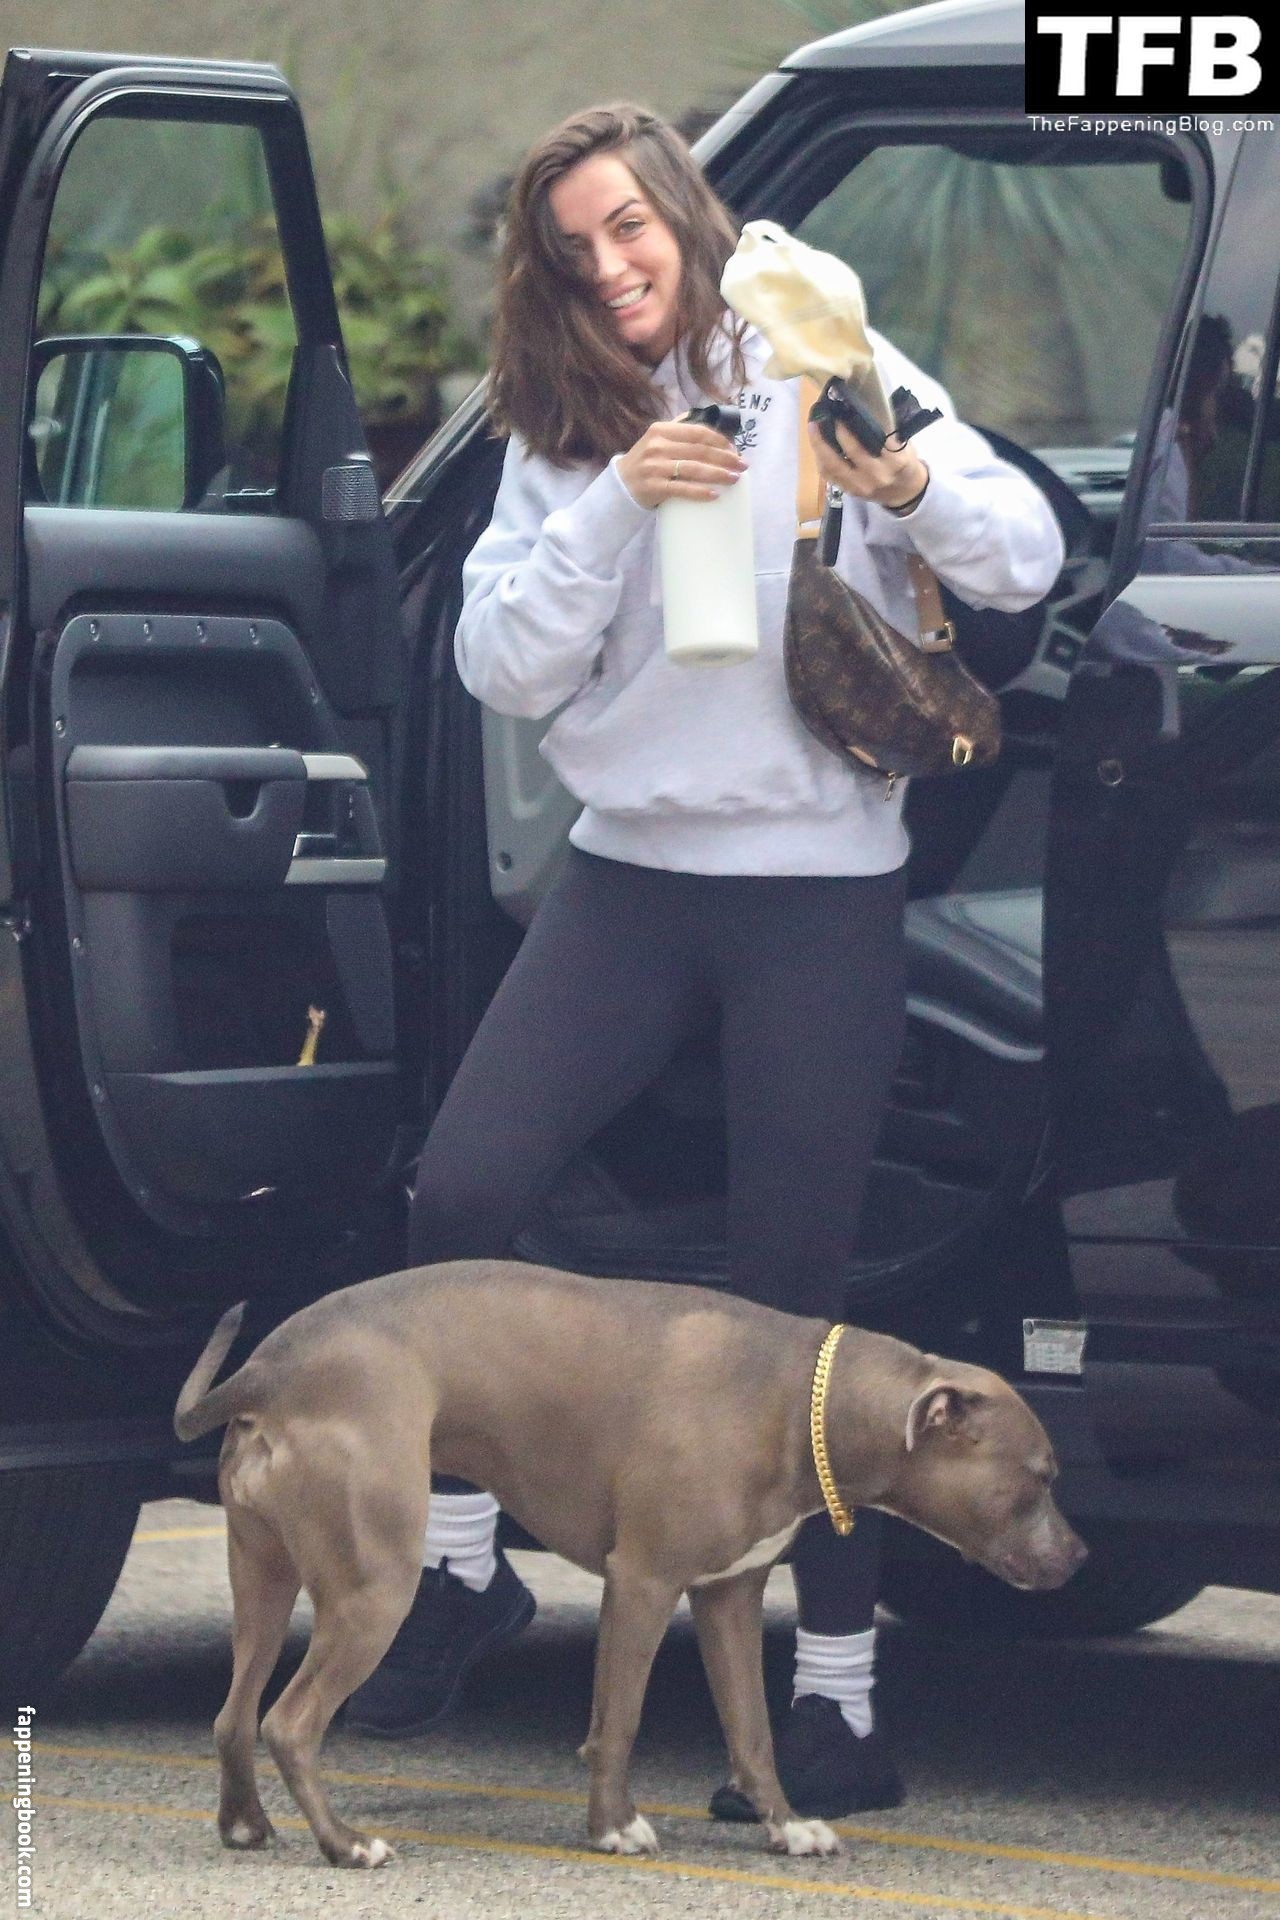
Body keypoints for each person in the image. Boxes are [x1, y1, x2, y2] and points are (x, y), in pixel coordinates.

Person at [345, 102, 1064, 1818]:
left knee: (795, 1311)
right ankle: (462, 1557)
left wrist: (909, 484)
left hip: (818, 892)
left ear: (686, 214)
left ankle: (837, 1710)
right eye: (574, 248)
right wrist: (617, 499)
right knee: (464, 1189)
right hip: (629, 883)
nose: (611, 268)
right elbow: (501, 664)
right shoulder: (560, 417)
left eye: (631, 228)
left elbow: (1027, 554)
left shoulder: (823, 350)